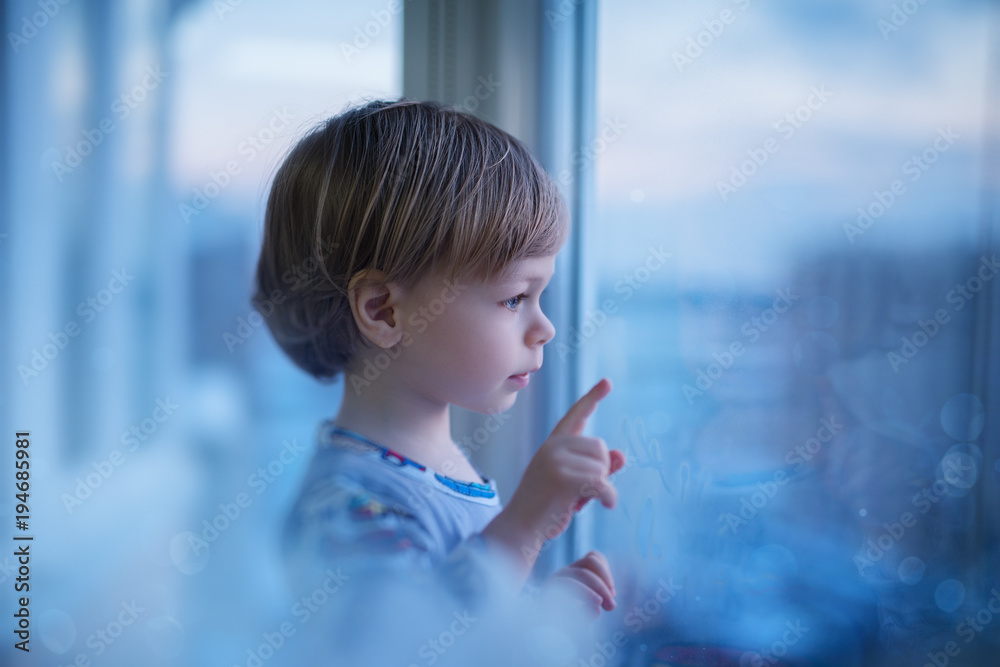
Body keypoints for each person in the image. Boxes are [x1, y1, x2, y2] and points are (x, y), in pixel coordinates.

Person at [251, 98, 627, 664]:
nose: (544, 327)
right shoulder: (344, 507)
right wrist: (523, 529)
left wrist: (536, 612)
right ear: (384, 312)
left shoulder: (432, 470)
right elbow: (407, 647)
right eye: (514, 298)